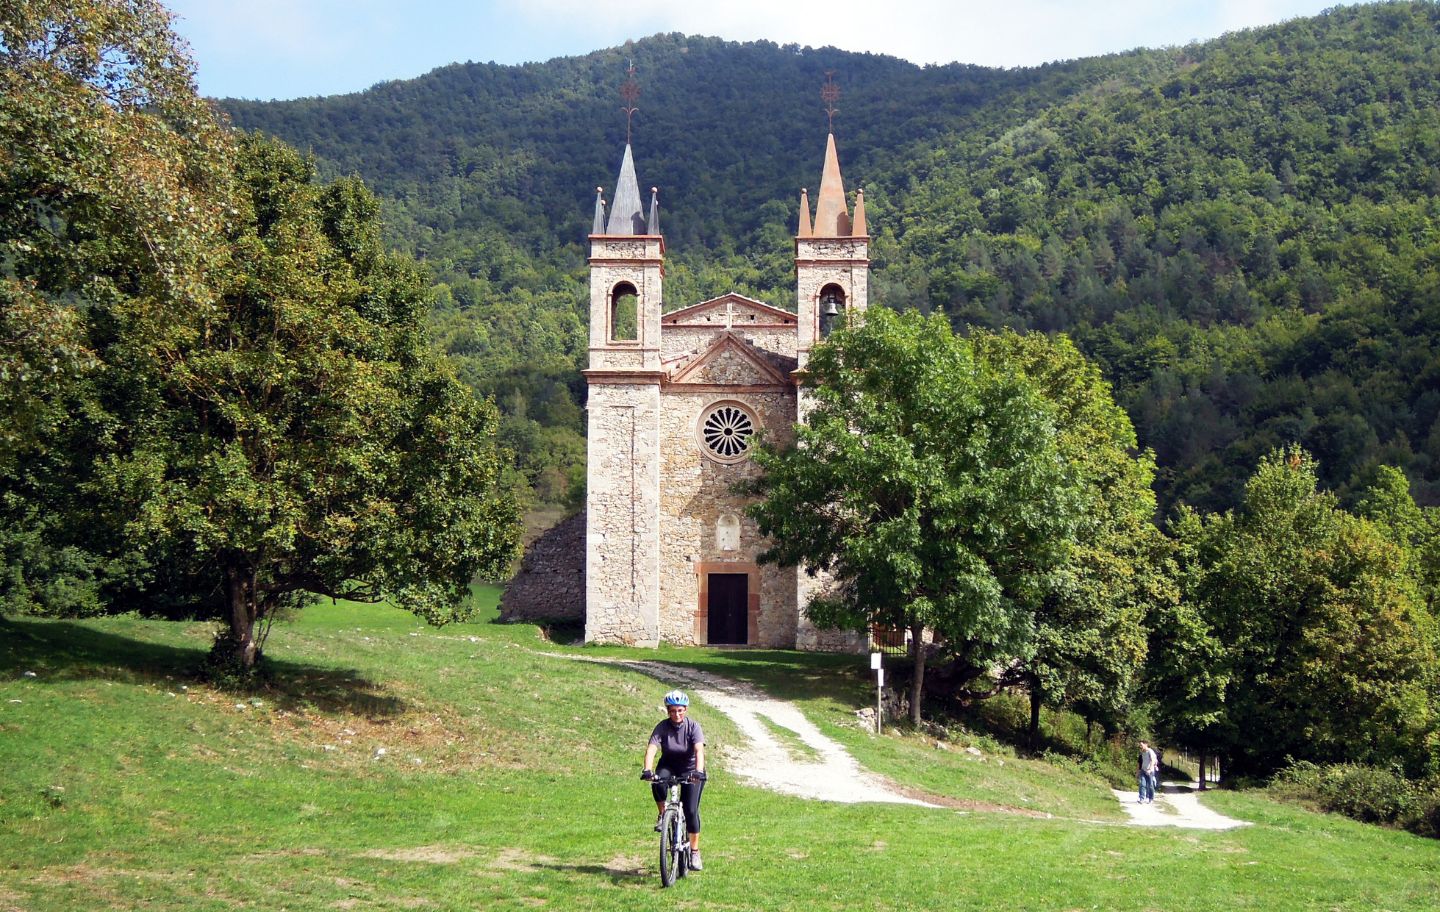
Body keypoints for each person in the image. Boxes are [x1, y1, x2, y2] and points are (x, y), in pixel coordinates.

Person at [642, 689, 707, 871]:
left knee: (691, 810)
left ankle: (694, 852)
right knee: (657, 780)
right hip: (669, 766)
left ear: (685, 710)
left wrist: (698, 771)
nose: (676, 714)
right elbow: (652, 749)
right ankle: (663, 814)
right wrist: (647, 769)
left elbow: (699, 751)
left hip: (691, 770)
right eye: (672, 710)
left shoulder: (693, 727)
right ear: (667, 711)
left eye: (679, 710)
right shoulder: (662, 727)